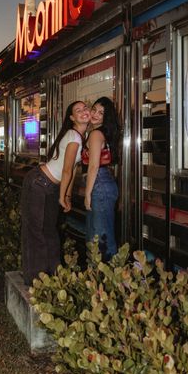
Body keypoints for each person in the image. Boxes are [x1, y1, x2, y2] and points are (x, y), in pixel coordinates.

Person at [20, 100, 90, 285]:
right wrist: (62, 196)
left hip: (46, 185)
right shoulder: (75, 136)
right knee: (38, 233)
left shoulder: (79, 137)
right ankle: (37, 281)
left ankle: (51, 278)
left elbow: (73, 169)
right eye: (78, 110)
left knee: (49, 232)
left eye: (85, 108)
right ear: (72, 118)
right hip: (39, 184)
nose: (83, 111)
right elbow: (66, 170)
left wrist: (66, 195)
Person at [82, 96, 120, 260]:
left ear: (106, 117)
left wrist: (87, 193)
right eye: (94, 110)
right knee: (98, 236)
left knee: (100, 238)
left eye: (101, 113)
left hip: (99, 184)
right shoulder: (102, 132)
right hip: (104, 183)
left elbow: (93, 166)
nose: (96, 114)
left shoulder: (96, 134)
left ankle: (109, 279)